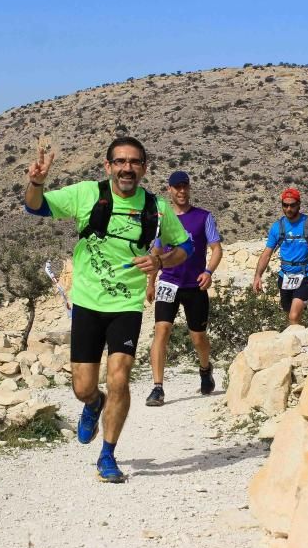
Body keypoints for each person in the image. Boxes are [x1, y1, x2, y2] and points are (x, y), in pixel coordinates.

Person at [23, 137, 193, 483]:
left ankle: (108, 455)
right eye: (120, 161)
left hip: (126, 307)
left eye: (134, 162)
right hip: (87, 304)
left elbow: (186, 247)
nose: (127, 168)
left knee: (120, 377)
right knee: (84, 387)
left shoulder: (156, 208)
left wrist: (160, 258)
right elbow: (35, 207)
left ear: (144, 168)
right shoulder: (88, 194)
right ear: (108, 166)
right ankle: (92, 404)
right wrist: (36, 182)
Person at [144, 171, 223, 406]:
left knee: (198, 337)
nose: (181, 191)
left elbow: (216, 248)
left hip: (194, 285)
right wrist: (151, 282)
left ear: (189, 188)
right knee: (162, 331)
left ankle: (205, 368)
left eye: (184, 187)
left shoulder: (203, 217)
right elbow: (156, 253)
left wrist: (208, 272)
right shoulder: (163, 220)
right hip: (169, 281)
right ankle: (157, 388)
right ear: (169, 190)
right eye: (176, 187)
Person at [252, 188, 308, 324]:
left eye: (292, 205)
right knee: (290, 316)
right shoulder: (277, 227)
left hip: (305, 275)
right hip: (285, 276)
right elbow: (267, 253)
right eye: (285, 205)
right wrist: (258, 276)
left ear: (299, 204)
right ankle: (301, 339)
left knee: (293, 315)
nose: (289, 209)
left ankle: (297, 341)